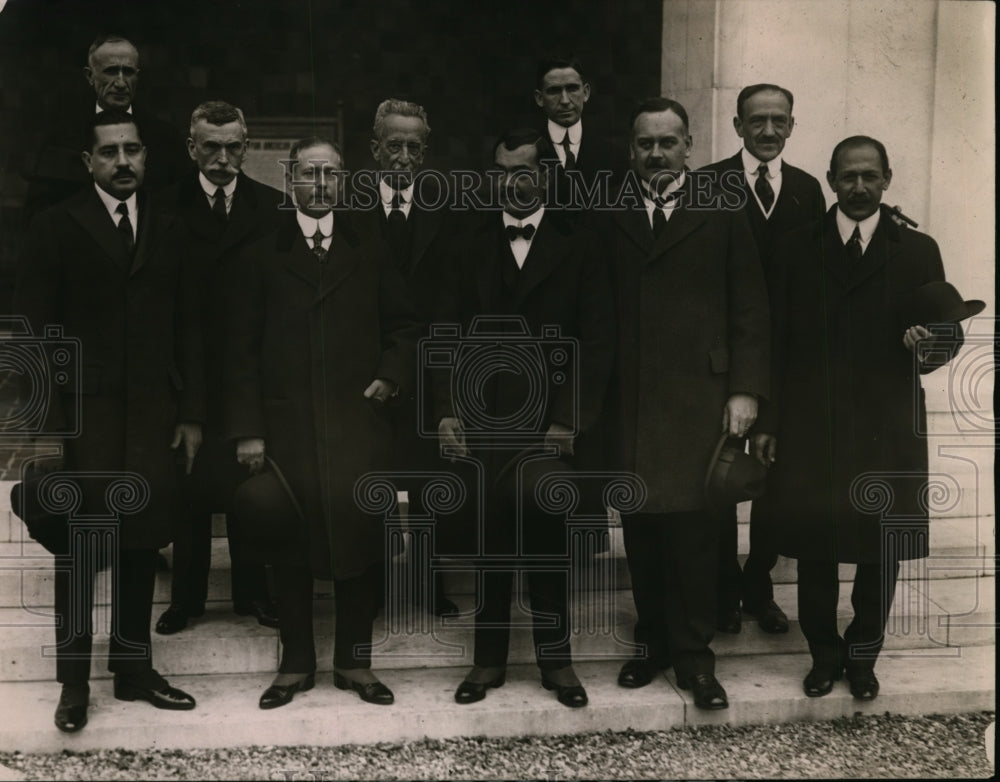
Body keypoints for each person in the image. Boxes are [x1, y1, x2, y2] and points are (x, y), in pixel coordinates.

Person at [751, 136, 964, 701]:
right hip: (810, 420)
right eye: (848, 177)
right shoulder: (797, 247)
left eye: (871, 176)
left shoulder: (918, 249)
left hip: (885, 421)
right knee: (815, 543)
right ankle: (823, 653)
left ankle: (864, 654)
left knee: (880, 546)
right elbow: (774, 339)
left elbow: (947, 331)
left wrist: (929, 342)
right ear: (830, 179)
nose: (860, 187)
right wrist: (769, 420)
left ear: (888, 179)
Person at [14, 110, 205, 732]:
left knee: (141, 541)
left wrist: (192, 415)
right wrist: (47, 431)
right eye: (109, 152)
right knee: (80, 548)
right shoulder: (54, 226)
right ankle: (73, 686)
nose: (122, 162)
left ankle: (133, 670)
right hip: (84, 418)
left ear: (147, 157)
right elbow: (37, 335)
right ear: (87, 162)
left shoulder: (171, 228)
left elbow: (189, 330)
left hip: (154, 416)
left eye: (132, 151)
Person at [224, 136, 421, 709]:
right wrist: (249, 429)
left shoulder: (370, 247)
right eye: (308, 174)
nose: (319, 184)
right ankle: (295, 663)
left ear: (343, 182)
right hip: (287, 428)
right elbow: (239, 350)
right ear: (291, 180)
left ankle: (355, 663)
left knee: (362, 536)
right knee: (288, 540)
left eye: (330, 175)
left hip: (358, 423)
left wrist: (389, 375)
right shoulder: (263, 253)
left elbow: (406, 325)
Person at [433, 128, 615, 708]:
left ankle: (556, 661)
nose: (514, 181)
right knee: (491, 539)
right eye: (503, 171)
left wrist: (568, 419)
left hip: (549, 424)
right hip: (482, 419)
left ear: (547, 174)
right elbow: (442, 334)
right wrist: (443, 413)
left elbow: (599, 339)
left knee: (548, 536)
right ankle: (487, 661)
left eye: (526, 170)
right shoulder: (465, 243)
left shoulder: (580, 243)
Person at [602, 98, 769, 710]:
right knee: (641, 530)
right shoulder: (612, 212)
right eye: (645, 144)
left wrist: (745, 389)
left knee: (698, 535)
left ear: (689, 146)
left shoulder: (722, 209)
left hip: (701, 402)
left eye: (668, 142)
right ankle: (652, 645)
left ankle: (697, 660)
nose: (656, 154)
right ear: (631, 150)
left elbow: (750, 305)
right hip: (632, 401)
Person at [699, 83, 826, 635]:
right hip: (727, 356)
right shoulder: (707, 183)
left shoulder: (806, 189)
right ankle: (723, 588)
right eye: (757, 121)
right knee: (721, 473)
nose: (768, 131)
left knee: (776, 476)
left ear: (792, 126)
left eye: (779, 121)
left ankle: (758, 582)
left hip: (790, 357)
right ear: (737, 126)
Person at [153, 101, 283, 635]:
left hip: (250, 372)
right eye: (211, 146)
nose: (222, 158)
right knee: (188, 489)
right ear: (191, 148)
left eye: (233, 147)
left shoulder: (272, 207)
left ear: (246, 148)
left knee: (246, 489)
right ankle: (187, 599)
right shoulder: (162, 208)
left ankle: (254, 594)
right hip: (187, 373)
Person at [353, 98, 458, 617]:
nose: (403, 156)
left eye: (414, 147)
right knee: (368, 481)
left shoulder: (446, 212)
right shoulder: (349, 211)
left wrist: (441, 394)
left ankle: (428, 583)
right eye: (393, 145)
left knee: (427, 485)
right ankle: (368, 587)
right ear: (375, 149)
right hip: (367, 374)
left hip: (427, 372)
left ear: (425, 153)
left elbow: (450, 308)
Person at [22, 35, 189, 226]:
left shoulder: (164, 137)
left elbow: (182, 210)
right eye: (110, 72)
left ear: (137, 76)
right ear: (90, 76)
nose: (120, 82)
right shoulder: (62, 136)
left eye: (128, 72)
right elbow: (37, 216)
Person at [534, 57, 616, 210]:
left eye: (572, 89)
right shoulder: (528, 150)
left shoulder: (612, 154)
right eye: (554, 91)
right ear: (539, 98)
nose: (565, 100)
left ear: (585, 92)